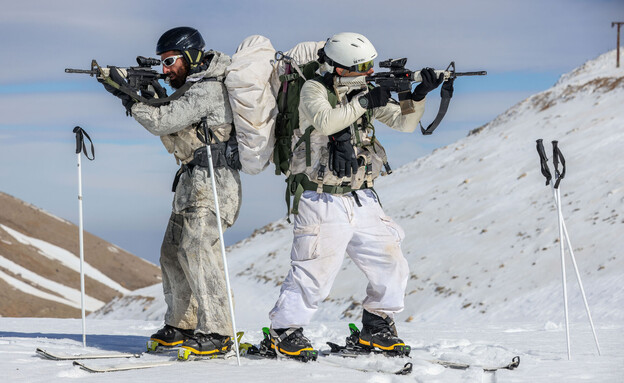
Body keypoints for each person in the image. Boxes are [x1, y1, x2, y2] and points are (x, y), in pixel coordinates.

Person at [266, 32, 443, 358]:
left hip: (362, 195)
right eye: (360, 66)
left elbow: (404, 123)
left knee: (392, 262)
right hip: (321, 197)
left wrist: (416, 94)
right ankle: (284, 330)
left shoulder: (361, 90)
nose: (366, 71)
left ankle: (376, 326)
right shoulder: (313, 89)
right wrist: (366, 100)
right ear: (338, 67)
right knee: (314, 270)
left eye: (368, 65)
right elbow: (326, 121)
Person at [101, 26, 242, 357]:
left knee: (196, 250)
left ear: (191, 57)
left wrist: (129, 97)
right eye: (163, 63)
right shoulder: (192, 88)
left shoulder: (208, 89)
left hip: (215, 185)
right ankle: (182, 323)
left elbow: (162, 122)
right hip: (193, 185)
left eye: (170, 62)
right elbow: (171, 120)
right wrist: (137, 94)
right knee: (171, 253)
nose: (165, 71)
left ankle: (219, 331)